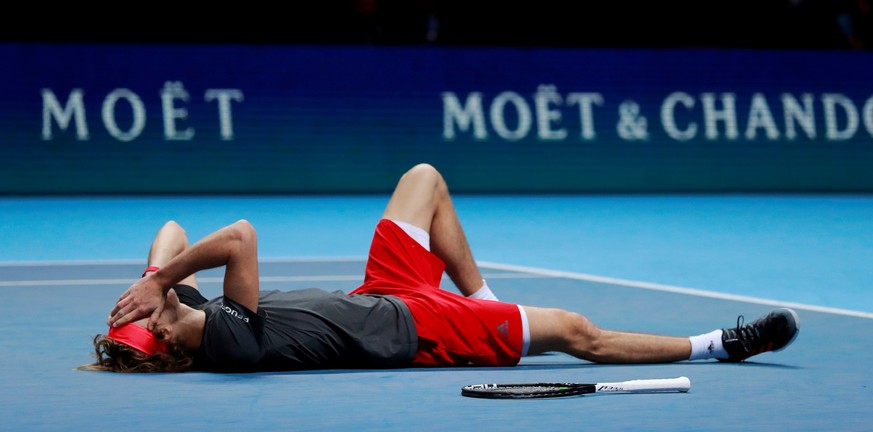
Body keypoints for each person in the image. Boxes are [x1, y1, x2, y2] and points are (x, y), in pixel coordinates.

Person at [86, 163, 799, 373]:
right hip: (415, 328)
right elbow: (239, 236)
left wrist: (153, 274)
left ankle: (487, 301)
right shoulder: (229, 338)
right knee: (577, 332)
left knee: (423, 179)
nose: (163, 300)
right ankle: (720, 344)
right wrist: (154, 283)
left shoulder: (185, 309)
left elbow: (172, 229)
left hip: (378, 292)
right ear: (171, 337)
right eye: (161, 315)